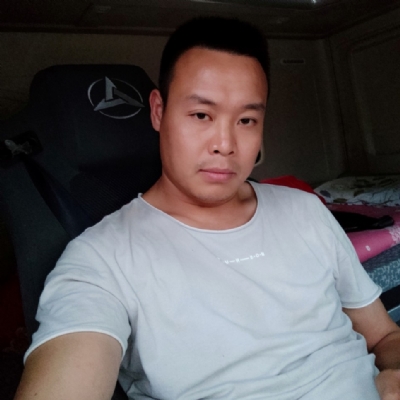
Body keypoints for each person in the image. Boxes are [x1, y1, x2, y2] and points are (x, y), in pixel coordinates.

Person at [14, 17, 400, 400]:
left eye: (246, 120)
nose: (225, 144)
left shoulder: (305, 211)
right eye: (201, 115)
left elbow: (384, 336)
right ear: (158, 111)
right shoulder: (101, 259)